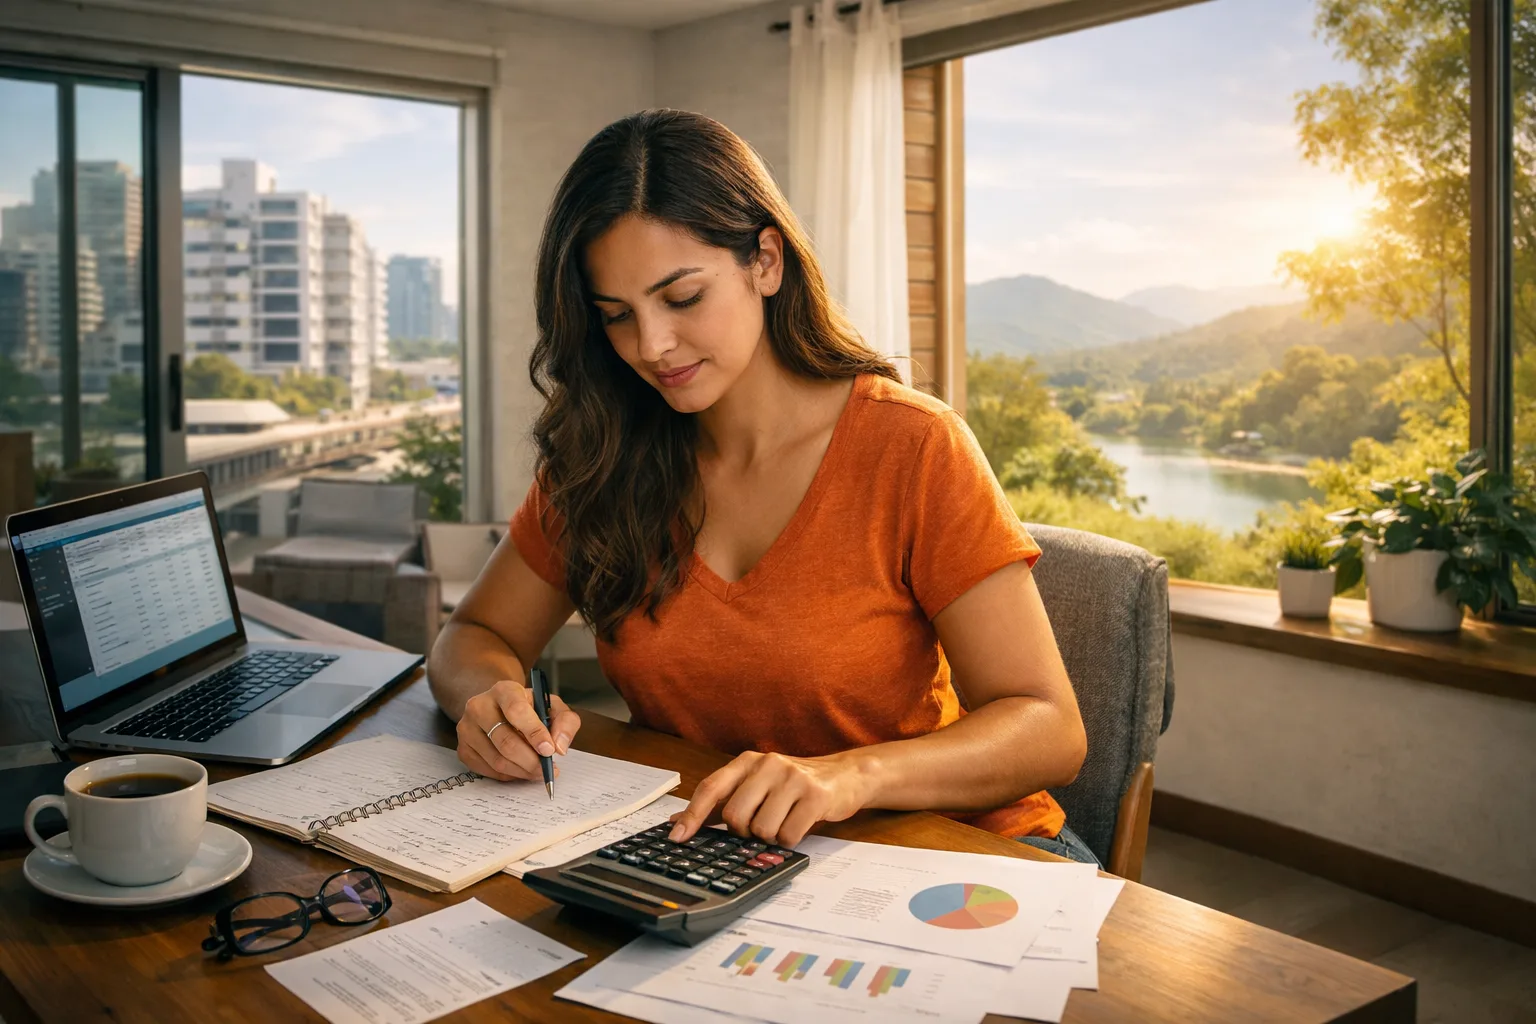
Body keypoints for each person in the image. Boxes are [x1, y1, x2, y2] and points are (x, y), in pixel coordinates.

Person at [428, 109, 1095, 865]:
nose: (650, 346)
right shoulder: (600, 460)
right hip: (735, 859)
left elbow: (1049, 727)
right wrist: (490, 703)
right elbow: (471, 637)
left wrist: (848, 777)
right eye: (616, 316)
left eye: (681, 299)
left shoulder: (914, 447)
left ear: (766, 261)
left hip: (962, 855)